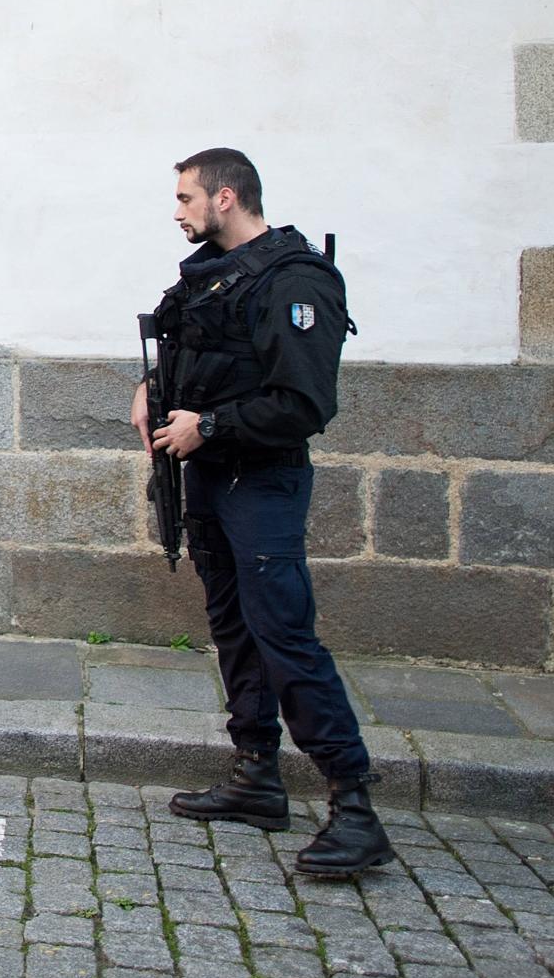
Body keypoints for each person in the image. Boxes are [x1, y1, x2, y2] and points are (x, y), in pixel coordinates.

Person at [134, 147, 391, 879]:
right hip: (210, 480)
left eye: (186, 197)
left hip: (261, 482)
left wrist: (206, 427)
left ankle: (355, 808)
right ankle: (257, 777)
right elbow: (187, 351)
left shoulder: (293, 281)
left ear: (225, 198)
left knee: (284, 636)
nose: (177, 210)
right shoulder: (210, 277)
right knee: (235, 630)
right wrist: (149, 388)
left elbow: (303, 405)